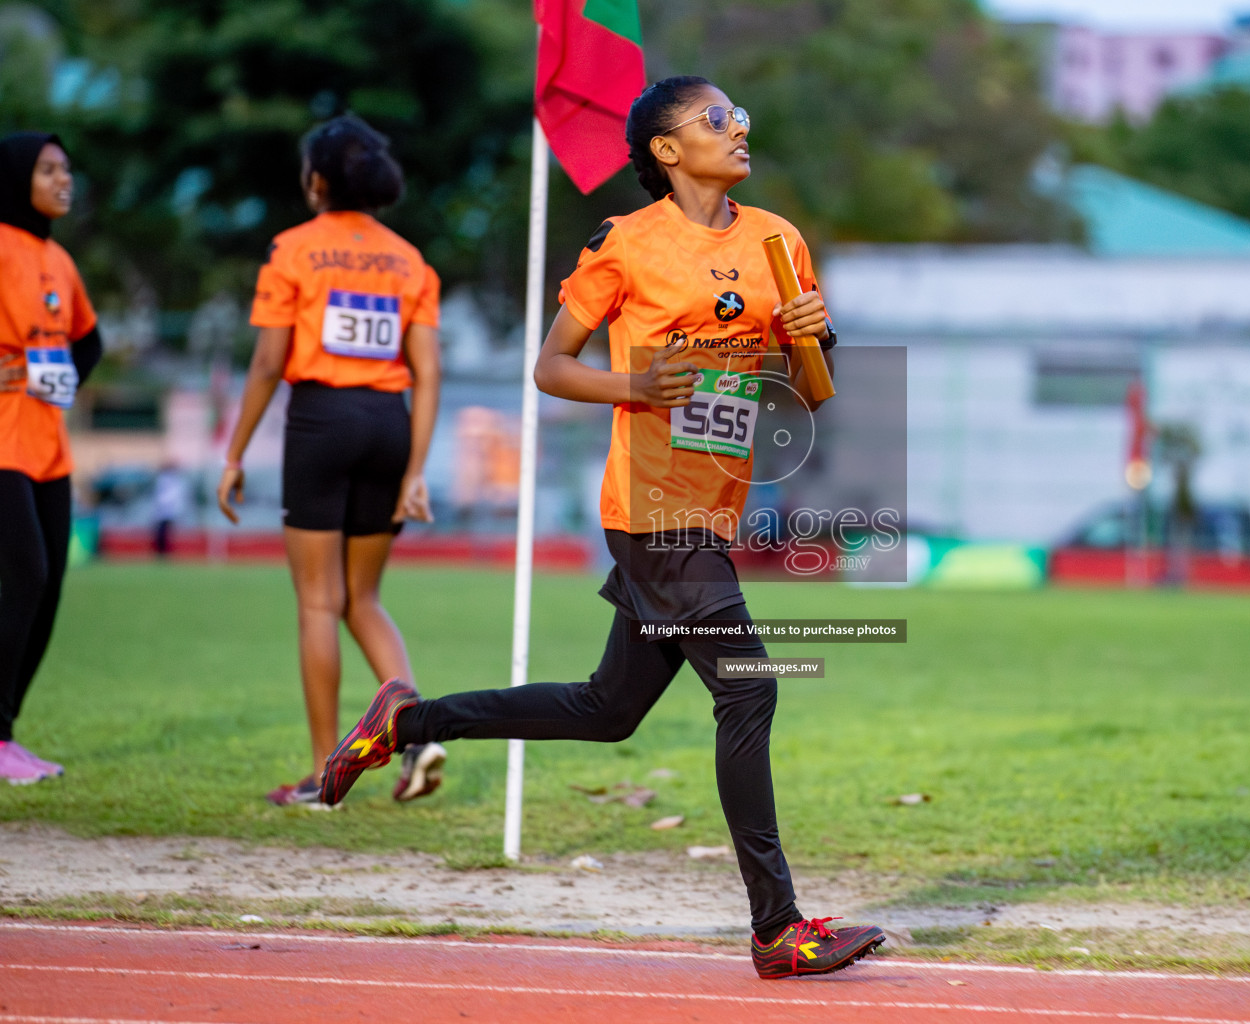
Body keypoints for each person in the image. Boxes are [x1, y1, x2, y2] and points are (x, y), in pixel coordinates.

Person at [319, 77, 884, 979]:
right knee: (749, 689)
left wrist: (816, 335)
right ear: (666, 149)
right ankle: (777, 929)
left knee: (607, 710)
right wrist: (637, 387)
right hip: (654, 512)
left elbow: (811, 389)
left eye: (739, 116)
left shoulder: (777, 238)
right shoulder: (627, 246)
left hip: (711, 508)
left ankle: (407, 721)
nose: (738, 127)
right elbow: (551, 367)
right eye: (715, 118)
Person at [217, 115, 447, 807]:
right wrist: (414, 471)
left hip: (320, 420)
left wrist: (233, 453)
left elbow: (266, 362)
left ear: (316, 181)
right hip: (389, 425)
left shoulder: (293, 248)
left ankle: (326, 775)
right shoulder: (410, 260)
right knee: (364, 599)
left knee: (319, 602)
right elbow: (429, 372)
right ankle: (422, 736)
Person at [0, 132, 104, 784]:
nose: (64, 179)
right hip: (2, 443)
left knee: (49, 590)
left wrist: (58, 374)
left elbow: (89, 343)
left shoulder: (58, 261)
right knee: (28, 575)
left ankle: (5, 737)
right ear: (16, 178)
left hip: (51, 451)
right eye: (48, 169)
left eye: (67, 169)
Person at [151, 459, 187, 558]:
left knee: (166, 532)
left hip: (168, 509)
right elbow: (166, 496)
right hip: (165, 509)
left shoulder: (171, 479)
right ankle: (162, 550)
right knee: (163, 531)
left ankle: (165, 550)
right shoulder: (165, 479)